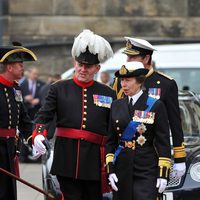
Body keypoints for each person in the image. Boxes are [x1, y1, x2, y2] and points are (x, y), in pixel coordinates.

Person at [31, 29, 116, 200]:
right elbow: (44, 115)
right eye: (80, 64)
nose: (83, 69)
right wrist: (38, 133)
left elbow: (113, 128)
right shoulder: (58, 88)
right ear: (74, 63)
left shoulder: (108, 93)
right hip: (66, 157)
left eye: (88, 66)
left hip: (95, 160)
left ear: (97, 68)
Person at [113, 37, 186, 179]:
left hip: (153, 150)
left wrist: (179, 157)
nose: (128, 61)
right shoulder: (119, 82)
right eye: (127, 57)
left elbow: (175, 123)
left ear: (146, 58)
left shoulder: (166, 84)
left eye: (133, 57)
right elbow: (116, 116)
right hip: (125, 151)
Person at [106, 61, 171, 200]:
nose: (123, 84)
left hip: (146, 167)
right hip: (121, 167)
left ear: (140, 81)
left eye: (128, 80)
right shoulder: (116, 105)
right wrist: (110, 170)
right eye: (122, 80)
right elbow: (110, 141)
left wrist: (163, 173)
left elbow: (163, 141)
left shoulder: (155, 105)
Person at [0, 44, 36, 200]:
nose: (23, 69)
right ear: (9, 67)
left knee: (9, 191)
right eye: (20, 65)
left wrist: (34, 138)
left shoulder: (15, 89)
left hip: (10, 148)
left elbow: (23, 119)